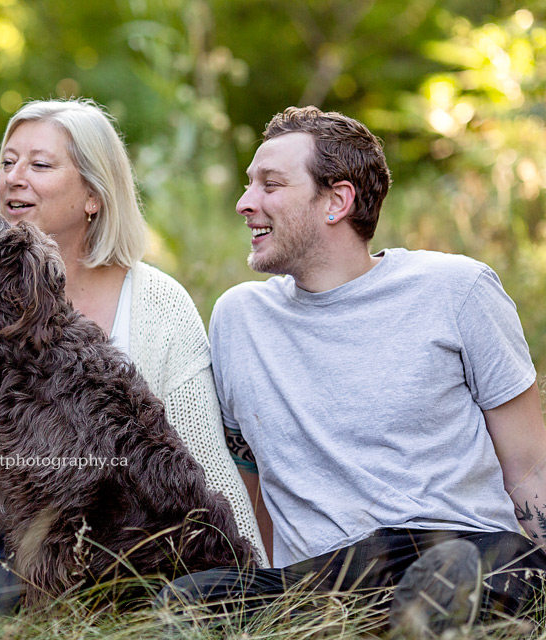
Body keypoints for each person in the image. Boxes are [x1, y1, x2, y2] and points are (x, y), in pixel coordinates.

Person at [159, 106, 546, 635]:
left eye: (270, 185)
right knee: (187, 600)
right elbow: (252, 474)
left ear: (336, 201)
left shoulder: (457, 289)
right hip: (327, 575)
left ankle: (436, 616)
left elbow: (529, 469)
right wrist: (272, 576)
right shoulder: (239, 318)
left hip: (460, 543)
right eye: (250, 185)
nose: (245, 203)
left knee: (452, 576)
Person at [0, 98, 268, 619]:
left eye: (40, 164)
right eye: (7, 163)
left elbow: (205, 464)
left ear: (93, 194)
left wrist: (254, 590)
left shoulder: (158, 303)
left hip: (132, 566)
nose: (13, 179)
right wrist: (41, 487)